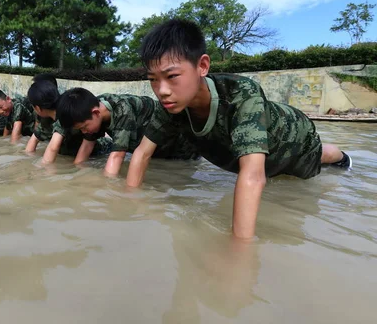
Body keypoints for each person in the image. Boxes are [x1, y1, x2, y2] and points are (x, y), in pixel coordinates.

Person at [126, 18, 352, 239]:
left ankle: (342, 156)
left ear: (202, 66)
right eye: (153, 79)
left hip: (293, 140)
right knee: (273, 175)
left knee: (318, 157)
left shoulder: (240, 93)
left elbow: (252, 177)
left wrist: (240, 251)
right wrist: (127, 204)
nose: (162, 90)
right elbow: (142, 153)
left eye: (172, 76)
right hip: (263, 160)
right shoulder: (168, 107)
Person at [53, 88, 199, 175]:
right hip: (151, 150)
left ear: (96, 113)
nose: (85, 131)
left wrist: (106, 189)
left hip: (180, 150)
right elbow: (86, 145)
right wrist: (75, 175)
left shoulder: (122, 110)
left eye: (84, 127)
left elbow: (117, 156)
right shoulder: (91, 111)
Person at [26, 80, 112, 156]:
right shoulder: (47, 120)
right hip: (76, 152)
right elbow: (33, 140)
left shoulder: (67, 114)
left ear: (37, 108)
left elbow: (53, 148)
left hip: (100, 150)